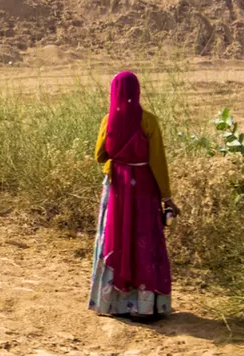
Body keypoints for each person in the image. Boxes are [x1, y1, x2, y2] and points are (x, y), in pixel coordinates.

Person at [88, 70, 179, 318]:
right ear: (137, 91)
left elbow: (99, 156)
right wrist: (167, 197)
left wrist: (117, 158)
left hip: (117, 186)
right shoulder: (149, 121)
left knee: (115, 238)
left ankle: (110, 303)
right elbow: (157, 161)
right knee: (145, 240)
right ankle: (146, 306)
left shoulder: (108, 121)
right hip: (144, 189)